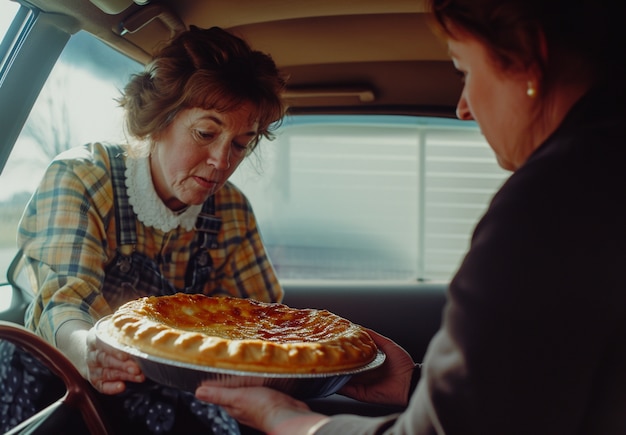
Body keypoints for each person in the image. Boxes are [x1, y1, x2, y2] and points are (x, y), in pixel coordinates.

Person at [194, 0, 626, 433]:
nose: (463, 107)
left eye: (464, 71)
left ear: (530, 56)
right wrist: (412, 381)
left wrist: (289, 420)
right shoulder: (598, 179)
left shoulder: (550, 202)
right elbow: (537, 395)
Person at [0, 26, 287, 434]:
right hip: (62, 383)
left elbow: (263, 325)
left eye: (241, 143)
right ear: (158, 120)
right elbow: (64, 304)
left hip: (162, 393)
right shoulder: (84, 178)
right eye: (206, 133)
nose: (222, 161)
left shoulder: (232, 211)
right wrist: (93, 354)